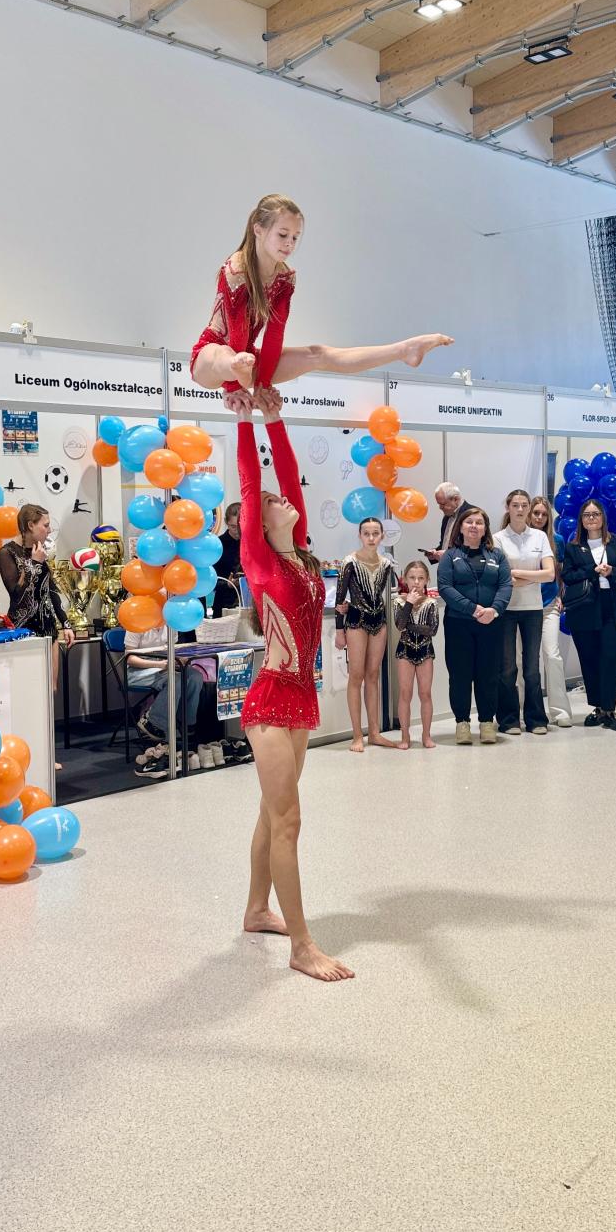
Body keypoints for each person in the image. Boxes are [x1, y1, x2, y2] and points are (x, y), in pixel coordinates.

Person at [235, 385, 352, 983]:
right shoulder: (260, 560)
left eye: (284, 499)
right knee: (288, 821)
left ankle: (257, 909)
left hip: (301, 697)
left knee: (271, 811)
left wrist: (275, 419)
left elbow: (286, 476)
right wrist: (244, 422)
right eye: (272, 502)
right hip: (271, 700)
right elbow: (253, 484)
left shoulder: (301, 555)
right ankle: (303, 946)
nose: (282, 499)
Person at [190, 193, 452, 394]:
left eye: (295, 237)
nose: (289, 244)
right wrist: (235, 388)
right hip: (212, 359)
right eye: (283, 235)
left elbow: (274, 336)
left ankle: (404, 350)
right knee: (223, 354)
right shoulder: (237, 268)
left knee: (319, 354)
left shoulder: (285, 278)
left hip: (248, 359)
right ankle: (236, 369)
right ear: (258, 230)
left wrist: (264, 385)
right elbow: (236, 333)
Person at [560, 499, 616, 732]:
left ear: (603, 518)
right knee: (590, 659)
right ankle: (597, 707)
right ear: (581, 520)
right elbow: (568, 576)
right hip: (585, 609)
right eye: (587, 515)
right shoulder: (574, 546)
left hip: (613, 607)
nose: (591, 518)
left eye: (595, 514)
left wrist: (612, 571)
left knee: (611, 658)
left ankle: (610, 709)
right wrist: (592, 571)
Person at [437, 505, 512, 745]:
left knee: (488, 674)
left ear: (485, 528)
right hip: (459, 624)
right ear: (460, 527)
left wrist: (494, 610)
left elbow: (506, 585)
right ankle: (462, 723)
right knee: (460, 674)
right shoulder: (450, 556)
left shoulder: (497, 556)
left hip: (491, 623)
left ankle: (487, 722)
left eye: (479, 523)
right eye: (469, 522)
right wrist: (472, 609)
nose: (474, 526)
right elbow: (445, 587)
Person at [0, 504, 74, 699]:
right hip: (23, 629)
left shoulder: (40, 550)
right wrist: (34, 563)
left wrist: (65, 623)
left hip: (47, 628)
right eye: (45, 525)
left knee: (50, 690)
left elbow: (51, 589)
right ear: (31, 525)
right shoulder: (7, 553)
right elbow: (17, 595)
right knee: (28, 692)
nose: (49, 530)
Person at [493, 488, 554, 735]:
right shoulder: (497, 538)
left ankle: (536, 719)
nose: (520, 509)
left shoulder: (539, 537)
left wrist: (518, 574)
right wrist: (533, 576)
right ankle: (508, 720)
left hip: (533, 609)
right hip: (506, 608)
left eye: (524, 505)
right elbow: (501, 577)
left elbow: (549, 574)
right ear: (508, 508)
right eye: (515, 505)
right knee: (507, 667)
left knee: (531, 667)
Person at [335, 518, 398, 752]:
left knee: (373, 675)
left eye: (375, 533)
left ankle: (374, 732)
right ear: (360, 536)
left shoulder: (386, 564)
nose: (371, 538)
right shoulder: (349, 562)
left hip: (379, 621)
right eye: (366, 534)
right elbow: (339, 599)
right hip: (356, 621)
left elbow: (388, 591)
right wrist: (339, 630)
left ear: (382, 536)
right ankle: (356, 735)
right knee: (356, 675)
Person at [127, 619, 220, 776]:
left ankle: (187, 723)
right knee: (175, 680)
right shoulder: (137, 622)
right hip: (139, 671)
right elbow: (130, 658)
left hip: (164, 667)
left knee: (195, 676)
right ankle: (153, 722)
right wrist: (160, 665)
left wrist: (179, 660)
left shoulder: (171, 623)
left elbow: (173, 650)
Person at [528, 495, 572, 727]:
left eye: (544, 514)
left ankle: (560, 711)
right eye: (536, 513)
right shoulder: (521, 538)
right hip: (523, 606)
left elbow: (560, 571)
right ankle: (521, 709)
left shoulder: (557, 540)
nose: (539, 517)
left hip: (549, 605)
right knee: (524, 660)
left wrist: (560, 596)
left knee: (552, 655)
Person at [394, 560, 439, 749]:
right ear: (405, 579)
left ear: (427, 580)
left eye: (421, 578)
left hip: (425, 651)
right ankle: (405, 736)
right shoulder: (399, 602)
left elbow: (432, 630)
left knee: (425, 693)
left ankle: (426, 735)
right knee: (405, 693)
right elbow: (399, 625)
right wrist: (409, 604)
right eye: (412, 578)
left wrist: (409, 625)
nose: (416, 582)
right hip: (405, 650)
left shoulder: (431, 603)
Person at [422, 482, 463, 565]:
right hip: (446, 569)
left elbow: (476, 550)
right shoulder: (447, 516)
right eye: (439, 504)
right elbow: (445, 545)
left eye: (443, 504)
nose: (440, 507)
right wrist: (435, 553)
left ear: (456, 499)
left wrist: (449, 555)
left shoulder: (473, 516)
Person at [213, 501, 241, 616]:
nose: (237, 530)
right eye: (233, 526)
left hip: (247, 603)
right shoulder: (217, 544)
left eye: (240, 526)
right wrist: (227, 584)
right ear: (226, 522)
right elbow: (209, 580)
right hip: (222, 604)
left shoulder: (252, 543)